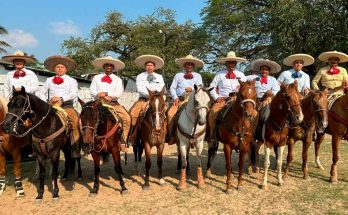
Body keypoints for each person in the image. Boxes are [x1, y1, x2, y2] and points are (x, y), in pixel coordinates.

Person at [90, 56, 131, 152]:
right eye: (106, 66)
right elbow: (92, 90)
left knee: (127, 118)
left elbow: (119, 92)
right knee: (86, 118)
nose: (108, 67)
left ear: (113, 68)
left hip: (113, 103)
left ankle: (123, 141)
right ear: (103, 67)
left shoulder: (117, 79)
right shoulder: (96, 77)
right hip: (99, 103)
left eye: (110, 66)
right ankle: (88, 141)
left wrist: (108, 94)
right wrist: (99, 95)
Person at [41, 55, 80, 156]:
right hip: (51, 105)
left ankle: (75, 146)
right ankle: (36, 146)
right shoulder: (49, 80)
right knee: (37, 120)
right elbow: (41, 91)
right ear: (54, 69)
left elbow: (74, 93)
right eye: (58, 67)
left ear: (66, 69)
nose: (60, 69)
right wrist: (46, 101)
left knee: (75, 120)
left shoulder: (72, 80)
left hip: (66, 105)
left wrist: (60, 98)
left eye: (62, 67)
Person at [207, 51, 247, 146]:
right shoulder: (219, 74)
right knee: (212, 114)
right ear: (226, 63)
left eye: (233, 63)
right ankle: (212, 136)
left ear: (236, 64)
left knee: (252, 114)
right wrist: (217, 97)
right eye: (229, 63)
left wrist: (241, 88)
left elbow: (246, 87)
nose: (231, 65)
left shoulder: (241, 75)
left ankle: (250, 135)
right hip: (223, 99)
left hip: (238, 99)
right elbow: (211, 87)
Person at [167, 54, 204, 145]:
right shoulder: (178, 75)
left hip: (194, 100)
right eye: (187, 64)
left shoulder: (198, 76)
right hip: (180, 99)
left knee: (204, 112)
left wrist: (193, 89)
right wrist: (175, 98)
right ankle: (171, 135)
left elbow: (200, 87)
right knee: (170, 114)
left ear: (193, 66)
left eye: (191, 65)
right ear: (184, 66)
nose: (189, 66)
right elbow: (172, 88)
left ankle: (204, 135)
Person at [129, 55, 165, 143]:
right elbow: (139, 89)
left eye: (151, 65)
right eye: (148, 65)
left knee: (168, 114)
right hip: (144, 99)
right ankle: (132, 135)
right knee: (133, 113)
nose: (149, 67)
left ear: (154, 67)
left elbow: (162, 87)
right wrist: (150, 93)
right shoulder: (140, 76)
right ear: (145, 67)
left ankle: (168, 134)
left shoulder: (159, 76)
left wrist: (156, 93)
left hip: (157, 99)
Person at [246, 59, 281, 140]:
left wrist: (271, 92)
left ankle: (264, 132)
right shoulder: (254, 77)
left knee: (266, 110)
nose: (264, 71)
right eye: (263, 69)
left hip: (266, 100)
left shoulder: (272, 79)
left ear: (269, 71)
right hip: (254, 100)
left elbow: (277, 91)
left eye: (266, 70)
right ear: (260, 70)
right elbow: (242, 78)